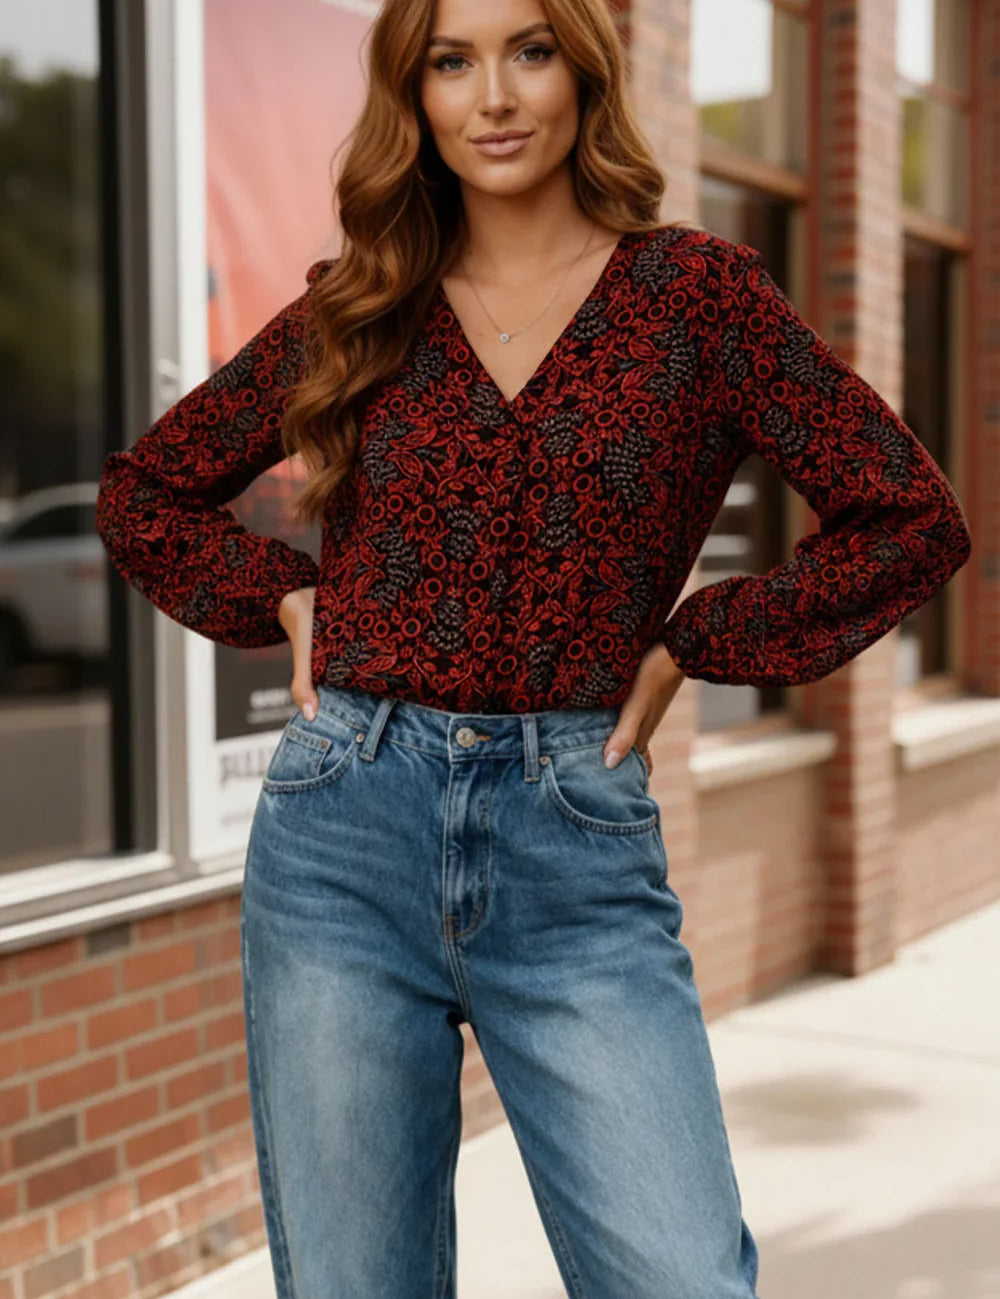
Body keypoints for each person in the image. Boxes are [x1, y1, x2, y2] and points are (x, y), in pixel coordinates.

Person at [94, 0, 972, 1295]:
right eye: (452, 61)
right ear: (418, 94)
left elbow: (909, 519)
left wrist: (695, 644)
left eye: (530, 50)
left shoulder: (698, 300)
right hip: (345, 832)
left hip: (575, 838)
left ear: (584, 71)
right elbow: (144, 493)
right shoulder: (364, 304)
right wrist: (285, 600)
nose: (493, 96)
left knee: (678, 1275)